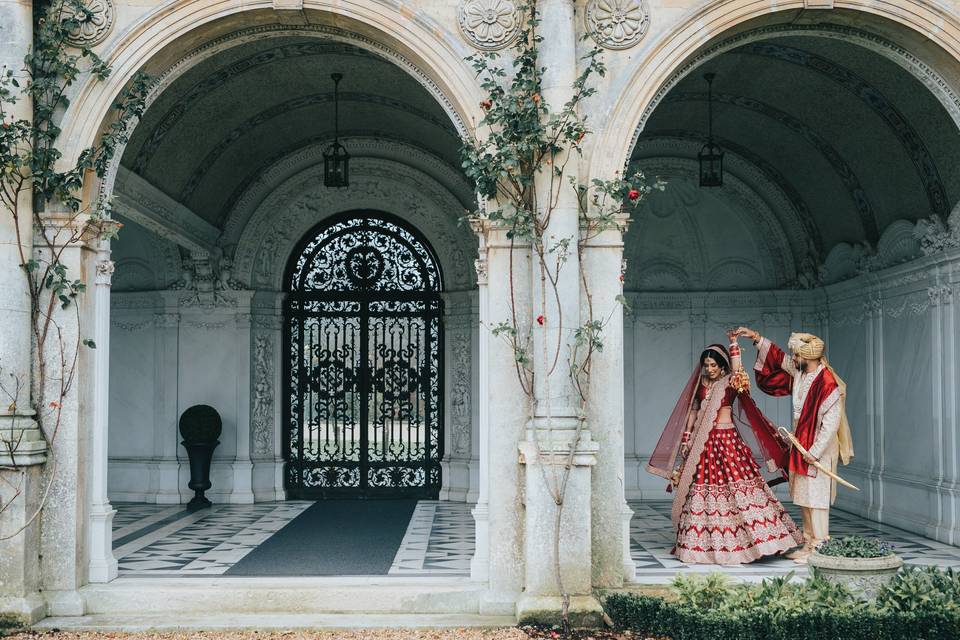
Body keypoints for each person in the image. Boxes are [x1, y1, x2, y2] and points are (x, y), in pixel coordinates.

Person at [646, 336, 802, 565]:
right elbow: (693, 410)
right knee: (703, 487)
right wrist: (687, 438)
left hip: (727, 442)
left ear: (722, 365)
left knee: (738, 487)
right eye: (706, 365)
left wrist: (734, 346)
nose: (709, 369)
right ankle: (705, 545)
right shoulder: (701, 384)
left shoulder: (730, 381)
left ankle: (760, 541)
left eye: (713, 365)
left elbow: (739, 372)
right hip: (704, 443)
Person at [734, 327, 854, 563]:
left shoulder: (827, 382)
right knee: (803, 496)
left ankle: (819, 545)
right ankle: (809, 543)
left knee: (817, 498)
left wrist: (815, 452)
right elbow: (779, 359)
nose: (793, 359)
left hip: (818, 447)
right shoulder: (800, 372)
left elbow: (830, 425)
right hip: (801, 443)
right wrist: (758, 339)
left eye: (797, 356)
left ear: (808, 357)